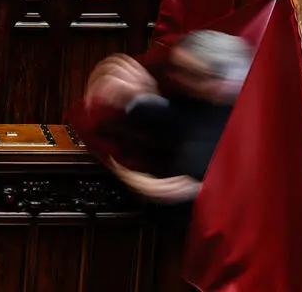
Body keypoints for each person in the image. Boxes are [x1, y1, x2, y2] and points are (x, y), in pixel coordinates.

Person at [83, 30, 252, 204]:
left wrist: (197, 190)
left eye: (192, 75)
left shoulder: (253, 117)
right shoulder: (204, 98)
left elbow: (248, 183)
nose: (176, 78)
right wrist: (137, 98)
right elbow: (180, 120)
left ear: (223, 80)